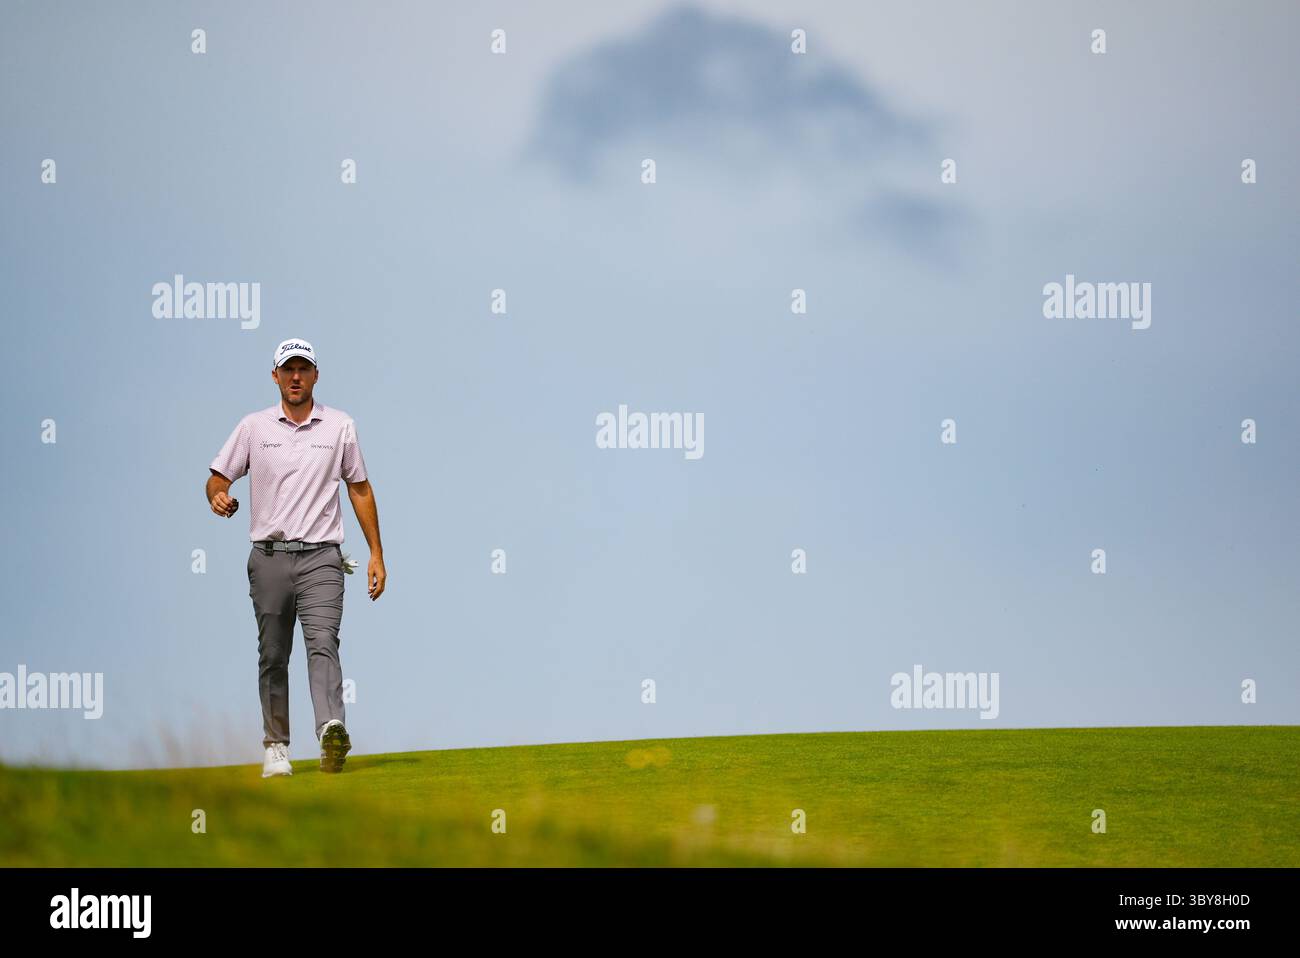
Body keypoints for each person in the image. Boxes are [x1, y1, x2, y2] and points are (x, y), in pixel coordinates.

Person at [205, 338, 385, 777]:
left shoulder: (340, 426)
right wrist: (220, 497)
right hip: (268, 557)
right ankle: (276, 745)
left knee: (323, 642)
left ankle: (330, 729)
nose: (296, 377)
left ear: (316, 375)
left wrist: (376, 552)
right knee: (273, 653)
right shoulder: (254, 427)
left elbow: (358, 488)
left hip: (323, 557)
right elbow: (217, 477)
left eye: (304, 369)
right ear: (275, 376)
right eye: (288, 370)